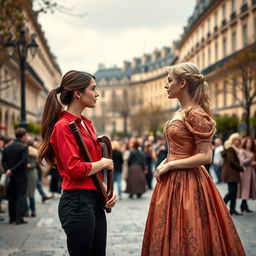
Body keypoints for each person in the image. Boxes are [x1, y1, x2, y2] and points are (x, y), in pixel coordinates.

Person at [141, 62, 245, 256]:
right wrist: (166, 162)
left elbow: (206, 156)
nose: (165, 85)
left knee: (190, 229)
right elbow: (176, 148)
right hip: (171, 181)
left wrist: (170, 164)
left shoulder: (196, 113)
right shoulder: (179, 112)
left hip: (189, 182)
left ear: (182, 83)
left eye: (169, 80)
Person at [38, 70, 116, 256]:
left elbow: (89, 165)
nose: (97, 94)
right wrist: (104, 162)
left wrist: (104, 189)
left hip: (94, 199)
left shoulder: (85, 123)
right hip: (77, 202)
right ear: (78, 93)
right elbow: (74, 169)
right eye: (93, 89)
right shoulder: (63, 126)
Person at [2, 128, 28, 225]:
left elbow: (3, 161)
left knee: (11, 197)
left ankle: (11, 218)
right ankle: (19, 218)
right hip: (21, 176)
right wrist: (12, 170)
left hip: (10, 177)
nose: (27, 137)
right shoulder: (23, 147)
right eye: (26, 135)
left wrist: (8, 170)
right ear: (23, 136)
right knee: (20, 197)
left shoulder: (7, 147)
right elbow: (23, 161)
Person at [222, 133, 244, 216]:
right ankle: (222, 205)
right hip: (230, 173)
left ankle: (232, 209)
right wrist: (241, 168)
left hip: (232, 173)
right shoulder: (231, 149)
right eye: (235, 139)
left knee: (233, 192)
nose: (237, 141)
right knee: (232, 191)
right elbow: (231, 162)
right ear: (231, 140)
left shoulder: (234, 149)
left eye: (238, 140)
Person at [237, 136, 256, 212]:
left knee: (249, 188)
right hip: (245, 173)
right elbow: (242, 162)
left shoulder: (253, 151)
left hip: (251, 172)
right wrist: (251, 158)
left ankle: (244, 205)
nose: (249, 144)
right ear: (245, 143)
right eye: (247, 142)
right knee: (245, 189)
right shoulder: (242, 151)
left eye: (250, 142)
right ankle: (243, 205)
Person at [23, 139, 38, 217]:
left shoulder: (25, 151)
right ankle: (33, 211)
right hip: (34, 173)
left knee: (25, 193)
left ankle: (26, 211)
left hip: (27, 172)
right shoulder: (35, 151)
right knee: (31, 193)